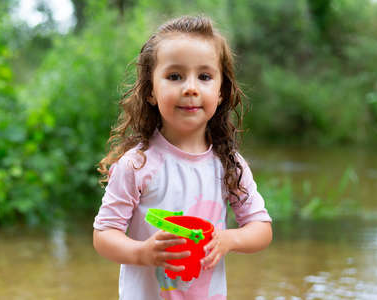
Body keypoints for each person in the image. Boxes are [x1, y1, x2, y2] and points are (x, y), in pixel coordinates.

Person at [93, 15, 272, 300]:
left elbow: (261, 228)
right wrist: (142, 252)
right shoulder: (137, 165)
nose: (190, 88)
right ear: (151, 91)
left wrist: (230, 239)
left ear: (221, 91)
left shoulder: (229, 164)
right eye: (175, 76)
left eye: (204, 76)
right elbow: (104, 235)